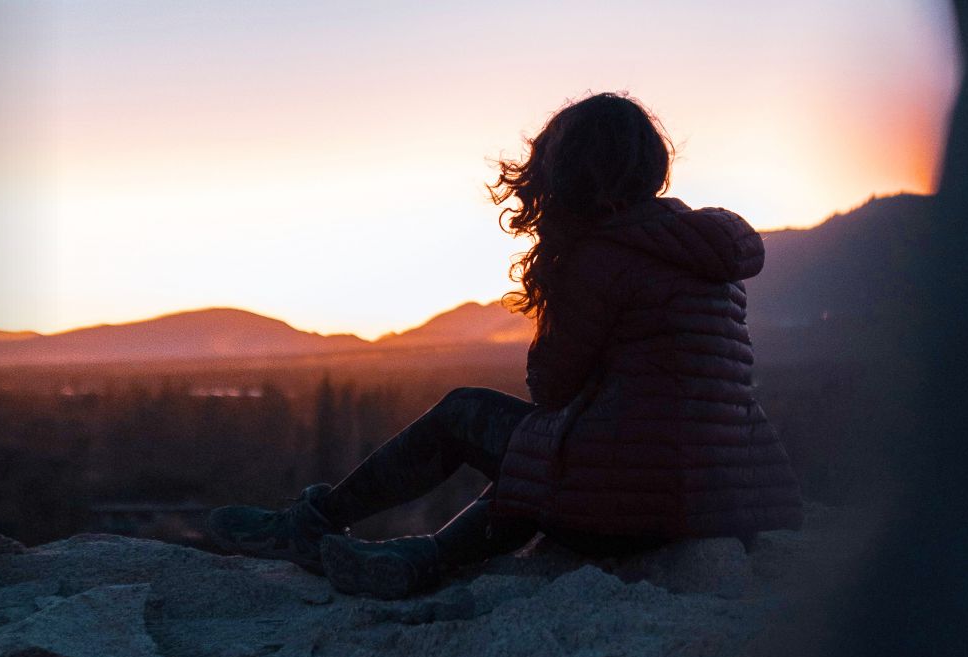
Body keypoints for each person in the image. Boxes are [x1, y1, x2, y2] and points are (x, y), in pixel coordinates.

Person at [206, 92, 803, 599]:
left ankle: (310, 525)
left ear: (568, 175)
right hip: (716, 500)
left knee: (468, 413)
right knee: (557, 452)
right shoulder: (704, 254)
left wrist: (553, 300)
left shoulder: (600, 257)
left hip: (631, 504)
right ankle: (418, 559)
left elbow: (551, 387)